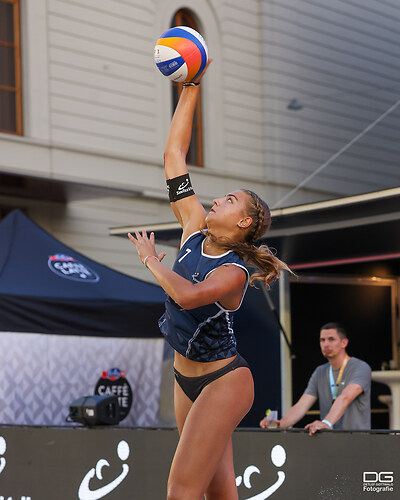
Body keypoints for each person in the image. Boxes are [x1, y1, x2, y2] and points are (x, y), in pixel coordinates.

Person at [128, 61, 291, 500]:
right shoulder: (194, 227)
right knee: (220, 491)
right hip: (186, 378)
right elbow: (173, 156)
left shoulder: (234, 272)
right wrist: (192, 85)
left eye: (229, 199)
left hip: (225, 381)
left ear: (243, 221)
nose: (216, 199)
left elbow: (188, 294)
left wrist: (149, 259)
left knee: (180, 490)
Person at [260, 322, 371, 435]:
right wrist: (279, 424)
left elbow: (345, 397)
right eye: (322, 340)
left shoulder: (360, 367)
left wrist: (326, 423)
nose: (325, 344)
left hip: (357, 440)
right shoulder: (320, 371)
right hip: (330, 441)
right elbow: (302, 405)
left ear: (344, 343)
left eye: (331, 339)